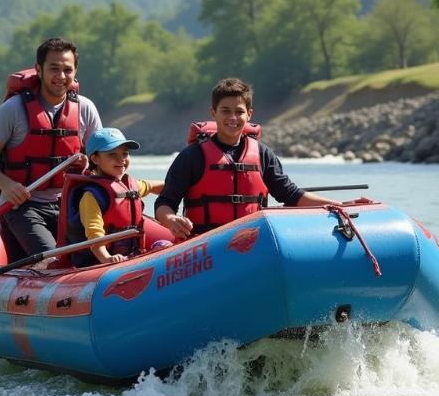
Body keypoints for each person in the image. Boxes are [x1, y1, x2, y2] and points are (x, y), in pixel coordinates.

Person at [154, 77, 339, 240]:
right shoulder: (192, 156)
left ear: (249, 114)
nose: (233, 117)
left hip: (251, 244)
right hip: (205, 245)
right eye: (225, 111)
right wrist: (171, 220)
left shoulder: (263, 154)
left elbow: (291, 195)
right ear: (213, 112)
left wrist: (340, 205)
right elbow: (164, 204)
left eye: (239, 111)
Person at [0, 37, 102, 256]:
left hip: (70, 203)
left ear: (75, 73)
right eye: (54, 68)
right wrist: (7, 185)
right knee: (51, 256)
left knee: (93, 255)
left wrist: (88, 162)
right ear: (39, 69)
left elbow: (103, 159)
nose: (61, 77)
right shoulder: (13, 110)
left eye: (67, 70)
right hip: (23, 206)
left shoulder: (85, 108)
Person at [64, 127, 167, 266]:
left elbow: (156, 187)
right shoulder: (91, 196)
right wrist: (107, 259)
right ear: (95, 159)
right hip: (97, 262)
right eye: (112, 155)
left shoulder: (131, 186)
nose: (122, 159)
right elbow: (95, 236)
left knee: (165, 244)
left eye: (125, 153)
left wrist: (183, 189)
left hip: (130, 255)